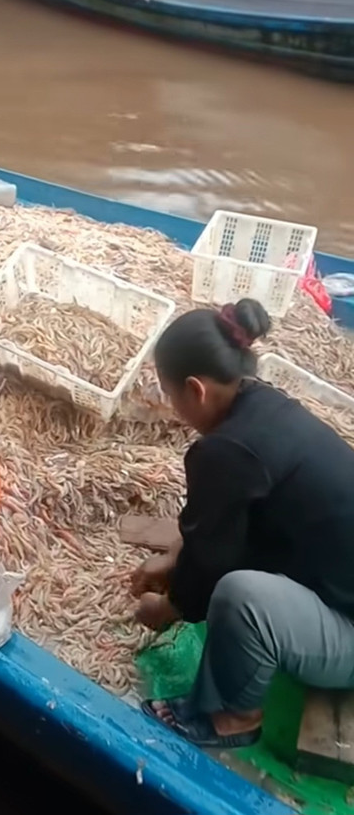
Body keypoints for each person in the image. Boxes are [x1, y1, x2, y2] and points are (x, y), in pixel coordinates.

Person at [132, 298, 354, 749]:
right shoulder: (264, 405)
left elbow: (210, 568)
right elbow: (224, 519)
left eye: (171, 396)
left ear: (194, 390)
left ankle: (233, 716)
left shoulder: (226, 451)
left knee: (240, 597)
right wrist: (175, 555)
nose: (173, 407)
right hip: (336, 577)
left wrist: (169, 608)